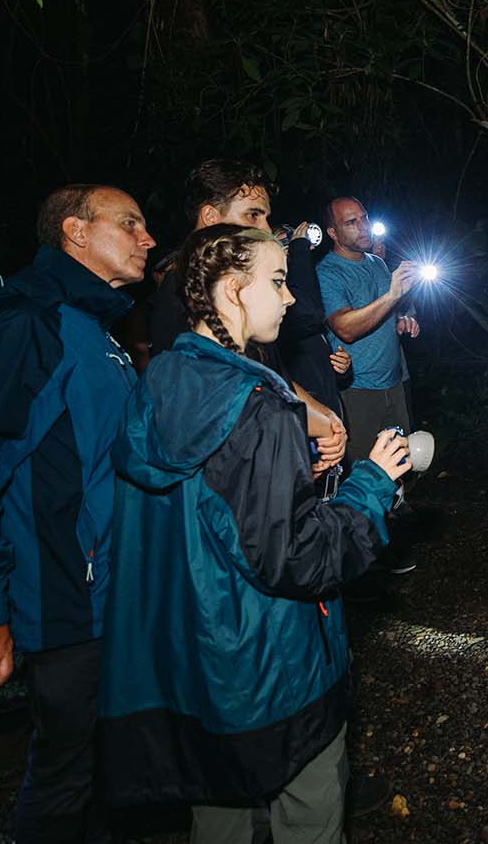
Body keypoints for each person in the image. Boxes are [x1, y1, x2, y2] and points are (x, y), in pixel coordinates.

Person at [100, 224, 410, 844]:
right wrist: (371, 484)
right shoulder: (255, 402)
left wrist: (287, 474)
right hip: (272, 664)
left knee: (220, 819)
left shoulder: (161, 375)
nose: (291, 298)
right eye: (276, 282)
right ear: (230, 291)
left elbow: (209, 502)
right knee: (311, 813)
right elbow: (295, 557)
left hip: (196, 666)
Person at [0, 184, 155, 843]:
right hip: (63, 604)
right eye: (130, 224)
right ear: (76, 233)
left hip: (108, 598)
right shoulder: (27, 322)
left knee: (103, 771)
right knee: (62, 779)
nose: (148, 237)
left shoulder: (91, 327)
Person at [147, 159, 350, 473]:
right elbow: (210, 408)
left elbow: (266, 371)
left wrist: (324, 418)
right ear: (211, 217)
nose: (266, 229)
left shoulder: (243, 285)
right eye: (253, 214)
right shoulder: (182, 291)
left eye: (266, 216)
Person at [318, 196, 423, 572]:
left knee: (397, 470)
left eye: (364, 219)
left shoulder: (377, 264)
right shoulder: (328, 273)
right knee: (364, 474)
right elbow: (345, 327)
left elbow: (390, 307)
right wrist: (393, 295)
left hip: (394, 384)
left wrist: (405, 315)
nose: (362, 227)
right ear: (332, 232)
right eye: (351, 223)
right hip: (357, 389)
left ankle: (390, 550)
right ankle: (361, 568)